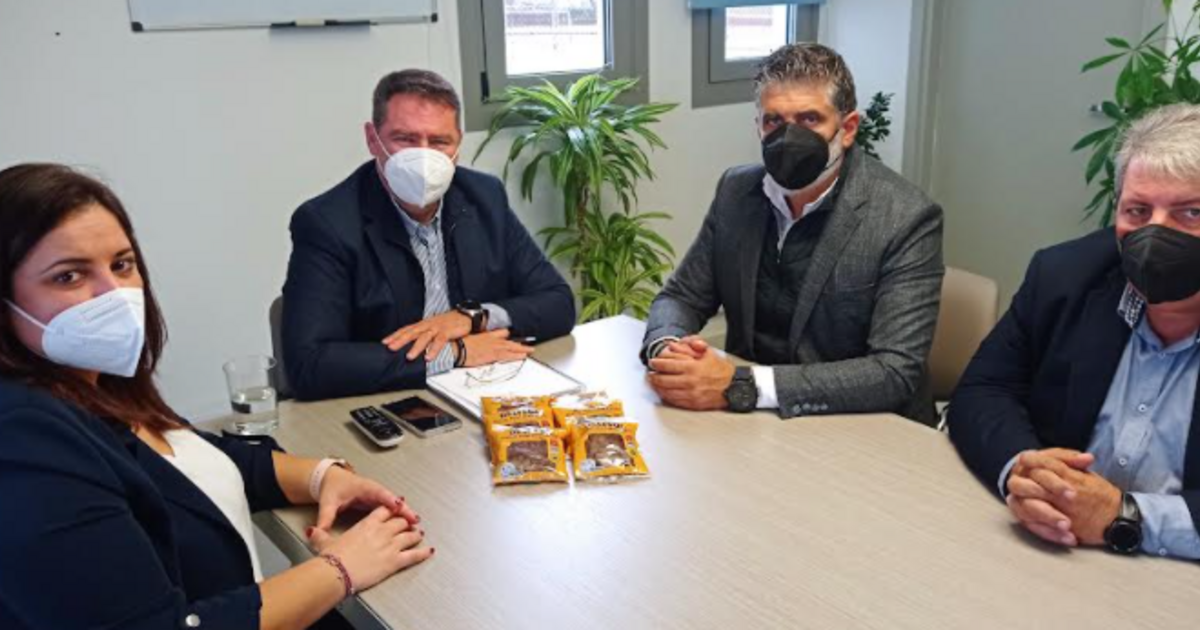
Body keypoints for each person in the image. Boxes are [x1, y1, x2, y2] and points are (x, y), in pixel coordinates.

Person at [0, 163, 433, 629]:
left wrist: (321, 476)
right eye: (68, 276)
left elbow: (182, 461)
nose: (114, 294)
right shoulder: (22, 440)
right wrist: (341, 569)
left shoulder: (95, 385)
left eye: (122, 264)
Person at [641, 43, 944, 424]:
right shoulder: (737, 191)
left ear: (848, 129)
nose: (789, 136)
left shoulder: (905, 216)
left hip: (862, 427)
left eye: (810, 119)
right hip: (751, 422)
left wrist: (744, 384)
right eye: (774, 121)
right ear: (758, 126)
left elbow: (894, 370)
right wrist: (668, 351)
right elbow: (682, 296)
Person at [948, 104, 1200, 560]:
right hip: (1052, 553)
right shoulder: (1065, 275)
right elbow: (984, 390)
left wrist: (1126, 517)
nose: (1155, 233)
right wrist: (1024, 472)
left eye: (1191, 213)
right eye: (1138, 210)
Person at [282, 69, 575, 401]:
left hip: (484, 388)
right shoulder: (326, 223)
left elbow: (558, 303)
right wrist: (456, 353)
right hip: (388, 399)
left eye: (439, 142)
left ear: (458, 144)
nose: (422, 157)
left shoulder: (484, 196)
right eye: (405, 139)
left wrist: (472, 319)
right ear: (372, 139)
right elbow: (309, 364)